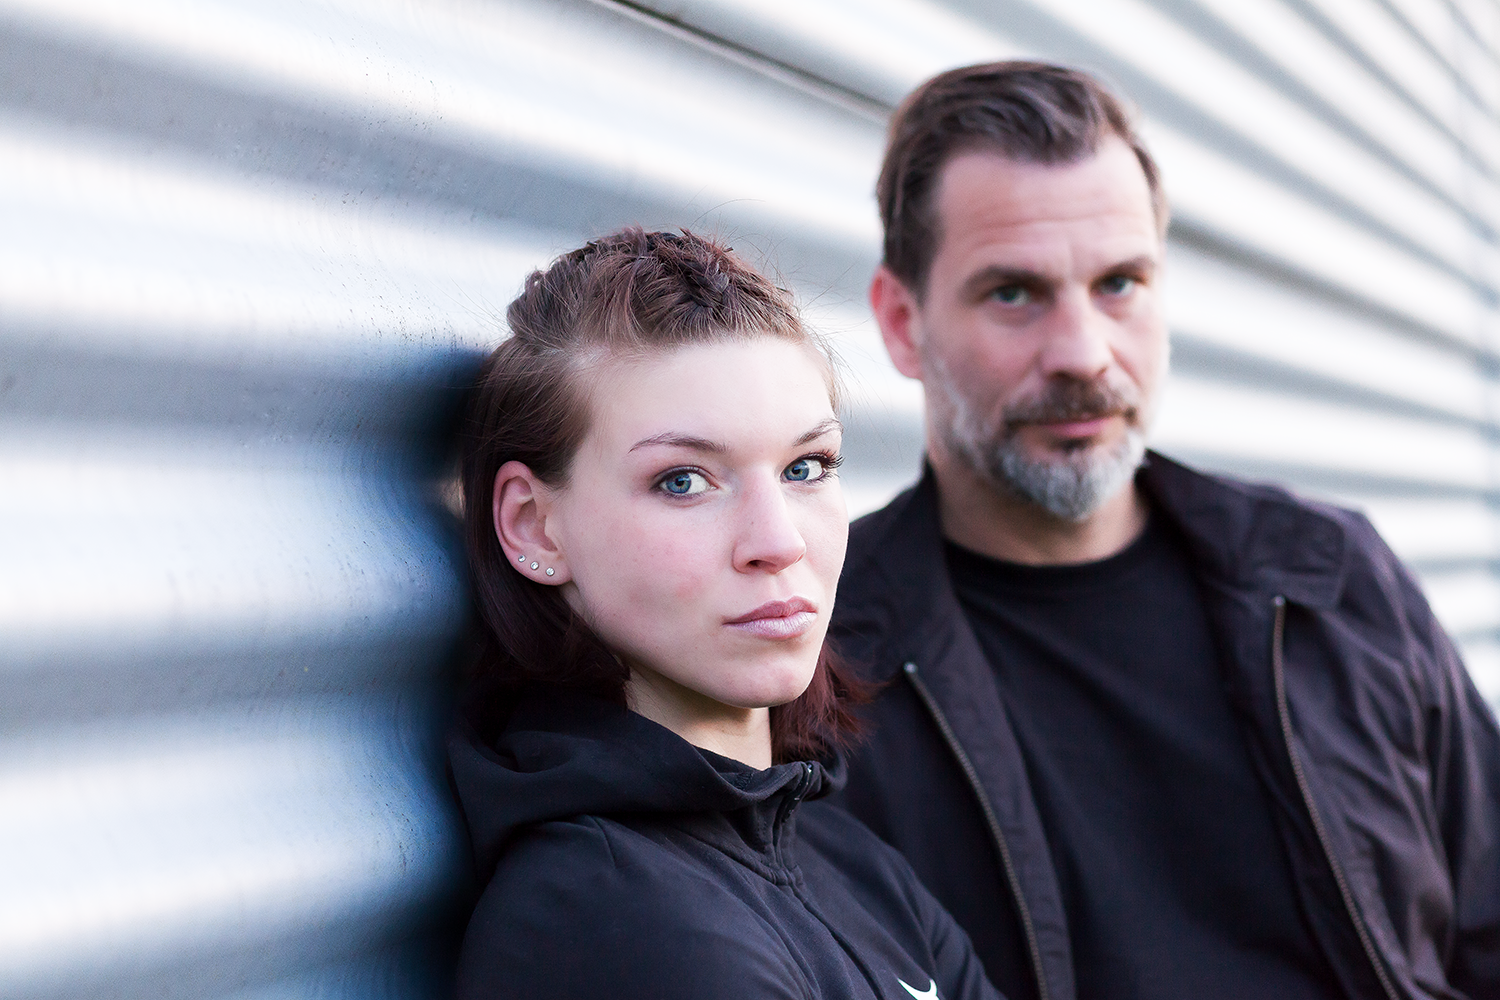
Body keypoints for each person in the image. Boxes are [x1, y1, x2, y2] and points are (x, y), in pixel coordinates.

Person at [827, 61, 1500, 1000]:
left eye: (1119, 283)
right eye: (1013, 293)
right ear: (903, 323)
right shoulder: (818, 663)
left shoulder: (1334, 581)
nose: (1083, 354)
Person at [447, 228, 1004, 1000]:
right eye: (683, 480)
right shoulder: (611, 920)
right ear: (535, 526)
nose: (778, 542)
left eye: (806, 467)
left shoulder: (855, 866)